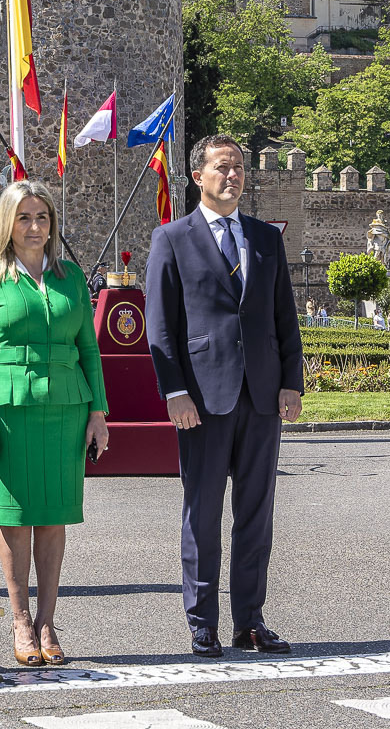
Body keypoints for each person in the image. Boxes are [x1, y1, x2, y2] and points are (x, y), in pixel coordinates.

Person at [145, 135, 304, 659]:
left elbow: (284, 318)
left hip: (261, 397)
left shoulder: (264, 238)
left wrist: (290, 382)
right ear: (198, 176)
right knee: (203, 512)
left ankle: (251, 621)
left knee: (256, 513)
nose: (233, 176)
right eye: (222, 167)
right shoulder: (172, 238)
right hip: (201, 399)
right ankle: (202, 622)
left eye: (238, 167)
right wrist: (174, 391)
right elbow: (161, 328)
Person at [0, 179, 108, 666]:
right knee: (15, 518)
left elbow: (89, 348)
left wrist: (98, 413)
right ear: (8, 222)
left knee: (53, 516)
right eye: (24, 217)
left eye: (42, 217)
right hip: (11, 411)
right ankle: (20, 619)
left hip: (66, 409)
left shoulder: (70, 277)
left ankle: (48, 622)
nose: (34, 226)